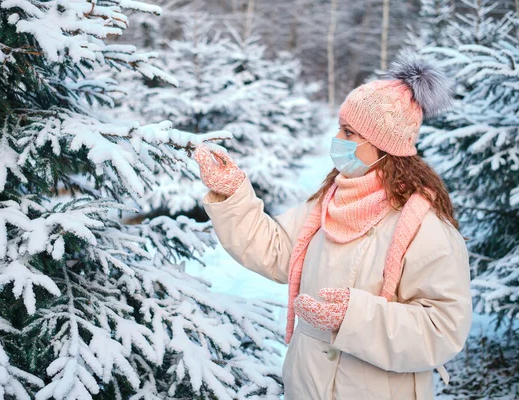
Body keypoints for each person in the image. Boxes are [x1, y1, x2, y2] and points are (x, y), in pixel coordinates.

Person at [192, 49, 473, 400]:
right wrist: (234, 193)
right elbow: (275, 250)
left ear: (383, 145)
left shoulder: (426, 229)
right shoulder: (328, 202)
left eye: (349, 132)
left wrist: (353, 318)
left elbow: (443, 329)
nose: (337, 139)